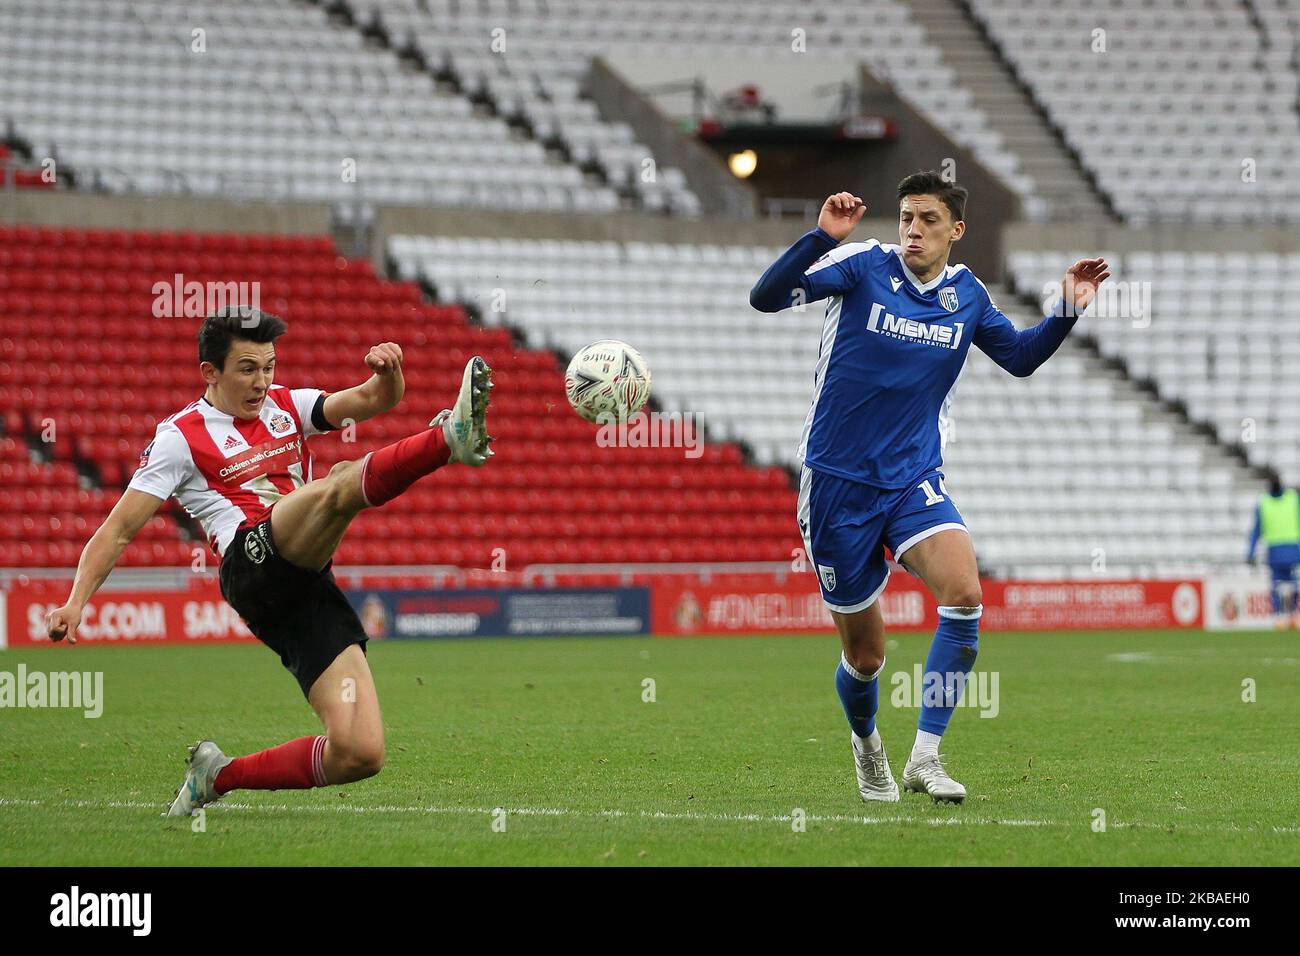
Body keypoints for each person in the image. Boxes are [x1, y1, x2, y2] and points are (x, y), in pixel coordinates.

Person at [43, 307, 493, 816]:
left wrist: (389, 374)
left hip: (304, 583)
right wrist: (75, 601)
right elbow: (119, 528)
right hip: (251, 563)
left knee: (360, 752)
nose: (262, 382)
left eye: (270, 366)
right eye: (248, 369)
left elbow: (373, 400)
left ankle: (216, 775)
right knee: (340, 483)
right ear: (210, 373)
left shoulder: (286, 405)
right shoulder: (179, 437)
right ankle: (449, 439)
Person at [750, 171, 1109, 803]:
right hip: (837, 484)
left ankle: (926, 756)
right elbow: (766, 297)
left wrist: (1066, 310)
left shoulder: (966, 294)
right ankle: (868, 748)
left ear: (956, 231)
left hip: (914, 477)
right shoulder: (863, 264)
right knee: (865, 658)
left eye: (928, 220)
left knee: (965, 594)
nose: (913, 230)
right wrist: (819, 237)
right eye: (907, 217)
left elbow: (1020, 357)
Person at [1247, 474, 1300, 629]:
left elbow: (1256, 530)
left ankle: (1281, 616)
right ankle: (1293, 615)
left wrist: (1250, 552)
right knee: (1292, 583)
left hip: (1277, 551)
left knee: (1278, 584)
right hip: (1291, 549)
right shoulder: (1292, 498)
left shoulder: (1264, 502)